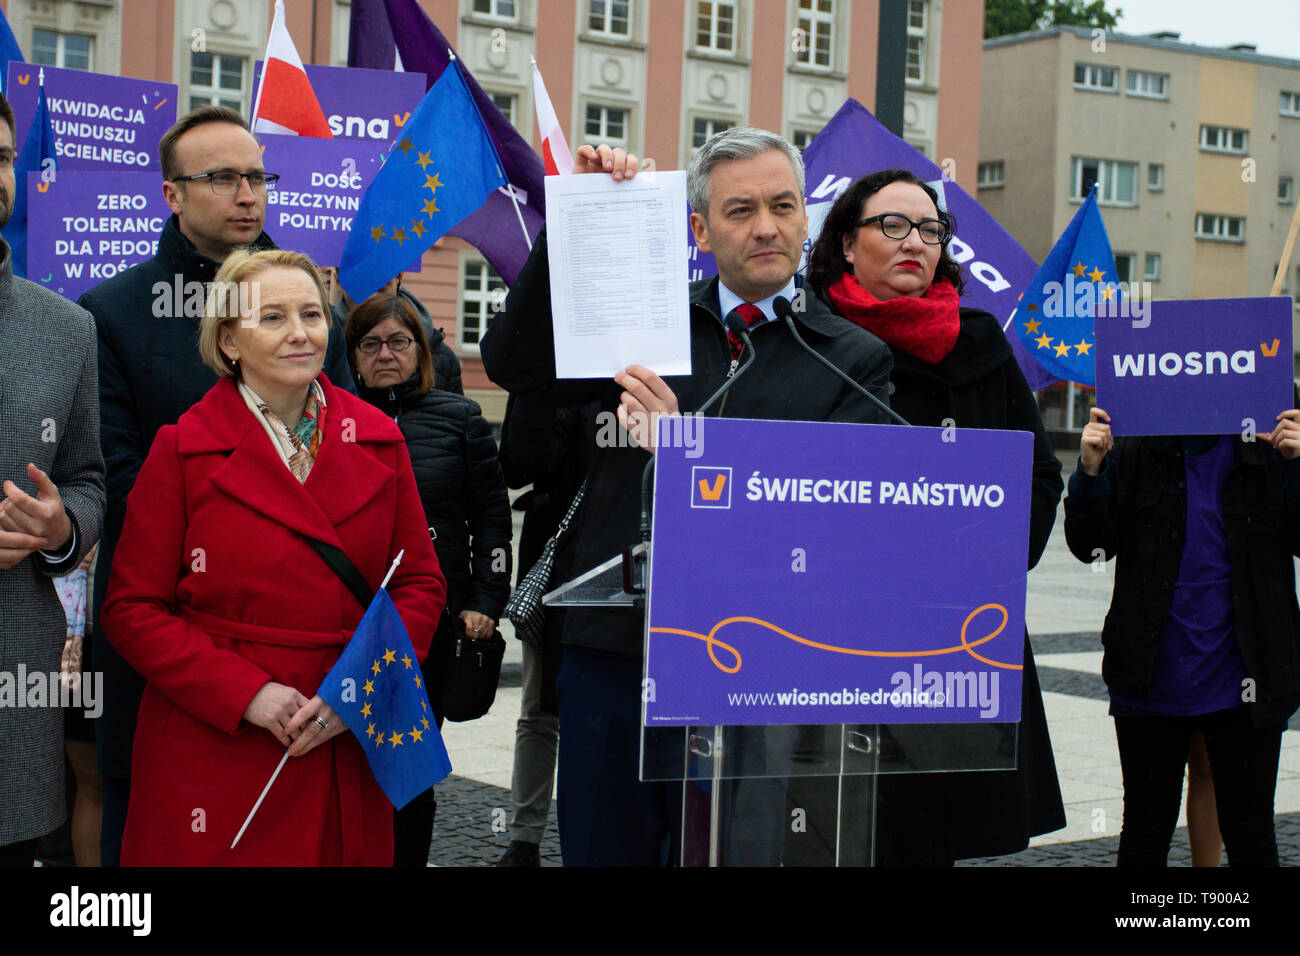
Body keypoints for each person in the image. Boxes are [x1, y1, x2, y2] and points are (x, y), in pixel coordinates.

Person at [481, 127, 894, 866]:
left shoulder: (853, 358)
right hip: (617, 652)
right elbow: (515, 361)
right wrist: (573, 219)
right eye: (740, 211)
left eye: (782, 205)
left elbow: (835, 524)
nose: (765, 226)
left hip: (758, 664)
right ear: (699, 229)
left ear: (807, 218)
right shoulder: (646, 317)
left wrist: (685, 451)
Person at [100, 249, 444, 865]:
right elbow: (133, 609)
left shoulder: (380, 439)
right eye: (273, 317)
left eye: (311, 314)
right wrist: (245, 693)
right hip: (219, 742)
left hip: (340, 731)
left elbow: (418, 582)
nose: (299, 333)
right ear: (229, 340)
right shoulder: (180, 450)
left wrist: (355, 691)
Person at [79, 105, 356, 866]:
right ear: (172, 194)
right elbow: (115, 474)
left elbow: (344, 448)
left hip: (303, 633)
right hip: (171, 623)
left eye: (258, 176)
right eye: (224, 177)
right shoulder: (112, 312)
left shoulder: (309, 302)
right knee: (153, 821)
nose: (248, 194)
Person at [804, 168, 1066, 863]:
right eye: (891, 225)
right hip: (830, 637)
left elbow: (1038, 474)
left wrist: (987, 561)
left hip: (951, 635)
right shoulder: (805, 338)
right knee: (832, 829)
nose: (913, 241)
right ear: (846, 243)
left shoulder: (980, 341)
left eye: (929, 228)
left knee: (929, 836)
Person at [1064, 406, 1300, 866]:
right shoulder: (1134, 440)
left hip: (1248, 678)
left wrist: (1297, 468)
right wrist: (1091, 470)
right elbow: (1091, 545)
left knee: (1251, 834)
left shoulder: (1272, 443)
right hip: (1150, 675)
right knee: (1146, 832)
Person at [344, 292, 511, 867]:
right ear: (352, 355)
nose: (385, 355)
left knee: (407, 767)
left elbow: (492, 519)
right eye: (370, 344)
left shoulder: (460, 418)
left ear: (422, 350)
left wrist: (488, 599)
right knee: (346, 766)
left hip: (428, 624)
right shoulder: (332, 418)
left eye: (398, 341)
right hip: (349, 622)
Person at [0, 91, 106, 868]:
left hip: (15, 675)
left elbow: (86, 478)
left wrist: (60, 525)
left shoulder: (66, 328)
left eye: (1, 158)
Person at [495, 396, 595, 866]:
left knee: (594, 711)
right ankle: (524, 836)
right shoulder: (547, 373)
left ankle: (587, 832)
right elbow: (517, 463)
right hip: (552, 556)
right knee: (539, 705)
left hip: (615, 553)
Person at [328, 269, 463, 394]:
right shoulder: (322, 351)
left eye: (381, 285)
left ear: (399, 276)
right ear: (338, 281)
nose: (371, 297)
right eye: (361, 288)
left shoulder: (442, 359)